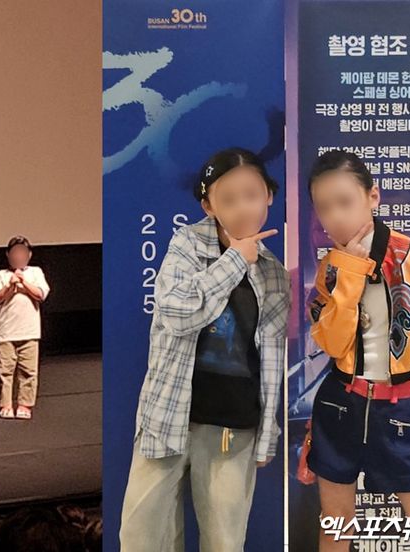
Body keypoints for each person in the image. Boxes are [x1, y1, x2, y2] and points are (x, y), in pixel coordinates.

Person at [305, 149, 410, 551]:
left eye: (344, 202)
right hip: (338, 407)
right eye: (324, 208)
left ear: (373, 196)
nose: (335, 217)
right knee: (335, 530)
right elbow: (332, 343)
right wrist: (350, 273)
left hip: (397, 410)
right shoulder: (330, 270)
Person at [119, 148, 290, 551]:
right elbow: (177, 313)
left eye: (252, 195)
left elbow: (270, 360)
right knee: (142, 538)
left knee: (224, 542)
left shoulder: (274, 274)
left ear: (268, 195)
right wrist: (235, 260)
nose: (242, 207)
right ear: (208, 206)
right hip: (168, 415)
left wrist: (268, 433)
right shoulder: (187, 245)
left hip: (233, 426)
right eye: (228, 199)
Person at [0, 236, 50, 420]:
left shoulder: (35, 272)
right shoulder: (1, 275)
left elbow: (41, 294)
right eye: (15, 252)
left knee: (28, 371)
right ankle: (5, 405)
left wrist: (24, 283)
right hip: (6, 332)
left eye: (23, 252)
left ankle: (25, 405)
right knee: (5, 371)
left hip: (29, 332)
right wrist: (10, 285)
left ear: (29, 255)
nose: (19, 256)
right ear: (8, 254)